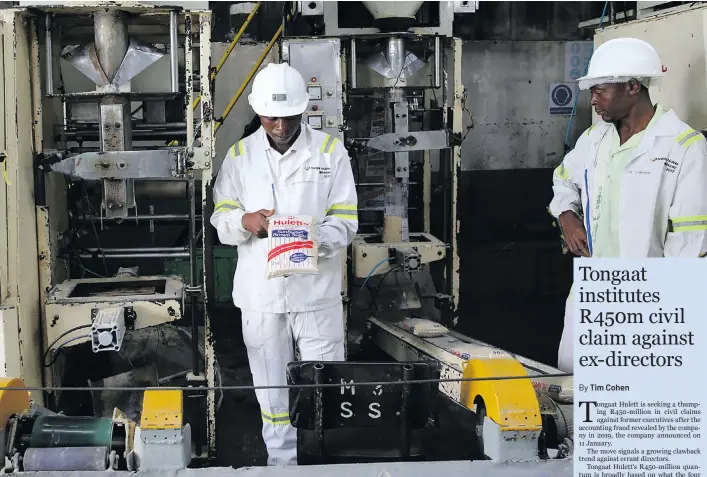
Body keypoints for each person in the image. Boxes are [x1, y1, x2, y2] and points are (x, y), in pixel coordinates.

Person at [210, 62, 358, 465]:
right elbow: (221, 216)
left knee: (324, 383)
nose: (279, 125)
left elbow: (346, 221)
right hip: (262, 296)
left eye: (288, 116)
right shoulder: (239, 157)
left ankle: (326, 460)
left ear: (304, 110)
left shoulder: (330, 151)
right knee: (272, 391)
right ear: (258, 112)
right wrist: (245, 221)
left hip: (317, 294)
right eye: (271, 116)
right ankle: (283, 465)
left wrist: (311, 239)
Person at [549, 37, 707, 373]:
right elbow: (563, 179)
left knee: (633, 406)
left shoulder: (684, 147)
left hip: (647, 304)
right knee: (575, 397)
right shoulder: (595, 139)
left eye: (600, 91)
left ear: (633, 87)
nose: (592, 100)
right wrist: (567, 216)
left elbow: (690, 247)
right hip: (593, 291)